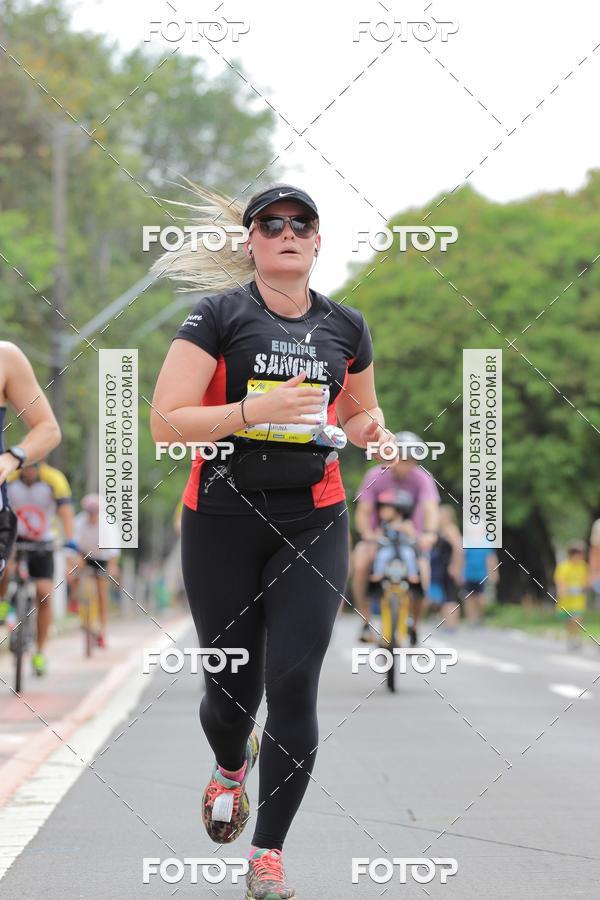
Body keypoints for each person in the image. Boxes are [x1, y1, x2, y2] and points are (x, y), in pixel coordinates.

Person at [150, 182, 394, 899]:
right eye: (272, 223)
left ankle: (268, 856)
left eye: (301, 223)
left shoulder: (347, 326)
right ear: (251, 241)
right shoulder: (218, 316)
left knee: (293, 683)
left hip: (314, 518)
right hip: (221, 518)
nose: (288, 232)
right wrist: (255, 410)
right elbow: (167, 422)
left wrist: (372, 433)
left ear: (318, 241)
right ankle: (232, 763)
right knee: (230, 694)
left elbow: (359, 413)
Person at [353, 432, 440, 644]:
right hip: (379, 536)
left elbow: (430, 509)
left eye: (412, 460)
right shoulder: (374, 476)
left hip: (412, 537)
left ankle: (414, 624)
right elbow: (363, 511)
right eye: (403, 458)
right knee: (361, 565)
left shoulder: (422, 478)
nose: (407, 464)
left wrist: (429, 534)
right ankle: (365, 622)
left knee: (423, 576)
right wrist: (368, 534)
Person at [0, 341, 61, 621]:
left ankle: (37, 641)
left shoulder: (6, 357)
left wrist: (13, 457)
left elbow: (48, 429)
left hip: (32, 534)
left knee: (43, 592)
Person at [6, 460, 77, 674]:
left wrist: (70, 542)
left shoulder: (53, 479)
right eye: (26, 467)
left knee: (44, 594)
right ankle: (4, 607)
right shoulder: (9, 476)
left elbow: (65, 511)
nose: (29, 472)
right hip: (14, 538)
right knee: (5, 569)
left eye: (34, 467)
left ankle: (40, 651)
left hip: (43, 541)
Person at [71, 493, 120, 647]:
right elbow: (73, 545)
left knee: (102, 592)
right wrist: (76, 560)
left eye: (95, 512)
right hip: (85, 556)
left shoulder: (108, 523)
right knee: (73, 574)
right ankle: (76, 602)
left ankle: (103, 630)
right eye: (89, 512)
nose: (92, 515)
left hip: (102, 557)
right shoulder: (79, 522)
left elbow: (114, 549)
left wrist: (112, 566)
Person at [370, 490, 420, 587]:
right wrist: (376, 537)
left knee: (409, 555)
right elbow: (378, 535)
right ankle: (378, 573)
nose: (382, 512)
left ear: (399, 510)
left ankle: (412, 574)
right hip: (389, 547)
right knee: (382, 555)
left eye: (386, 508)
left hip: (403, 546)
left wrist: (406, 531)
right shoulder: (384, 525)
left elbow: (413, 535)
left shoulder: (406, 523)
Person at [427, 504, 463, 632]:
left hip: (449, 568)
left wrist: (455, 566)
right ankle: (447, 623)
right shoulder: (439, 531)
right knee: (444, 597)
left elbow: (458, 549)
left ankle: (452, 625)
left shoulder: (451, 530)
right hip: (440, 569)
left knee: (451, 596)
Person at [554, 540, 588, 650]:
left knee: (576, 620)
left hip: (578, 602)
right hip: (565, 602)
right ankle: (570, 639)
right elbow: (560, 582)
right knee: (569, 623)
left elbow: (586, 582)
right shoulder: (563, 567)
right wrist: (563, 591)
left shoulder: (583, 566)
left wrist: (582, 588)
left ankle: (576, 639)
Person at [462, 547, 499, 625]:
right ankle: (472, 619)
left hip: (481, 575)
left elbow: (491, 560)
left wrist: (494, 573)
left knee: (478, 597)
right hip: (469, 575)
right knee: (470, 598)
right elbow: (462, 558)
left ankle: (478, 617)